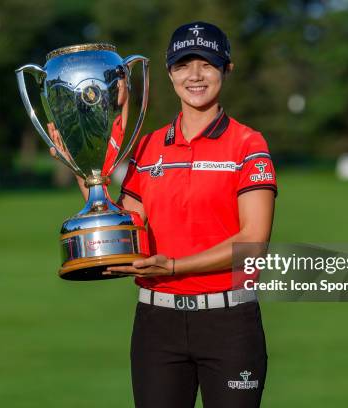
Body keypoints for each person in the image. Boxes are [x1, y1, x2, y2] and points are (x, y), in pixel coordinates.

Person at [49, 21, 276, 408]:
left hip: (229, 323)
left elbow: (253, 241)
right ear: (170, 72)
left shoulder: (247, 144)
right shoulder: (149, 146)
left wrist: (174, 267)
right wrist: (82, 166)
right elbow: (127, 227)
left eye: (207, 63)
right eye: (184, 64)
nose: (195, 75)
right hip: (157, 325)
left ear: (227, 69)